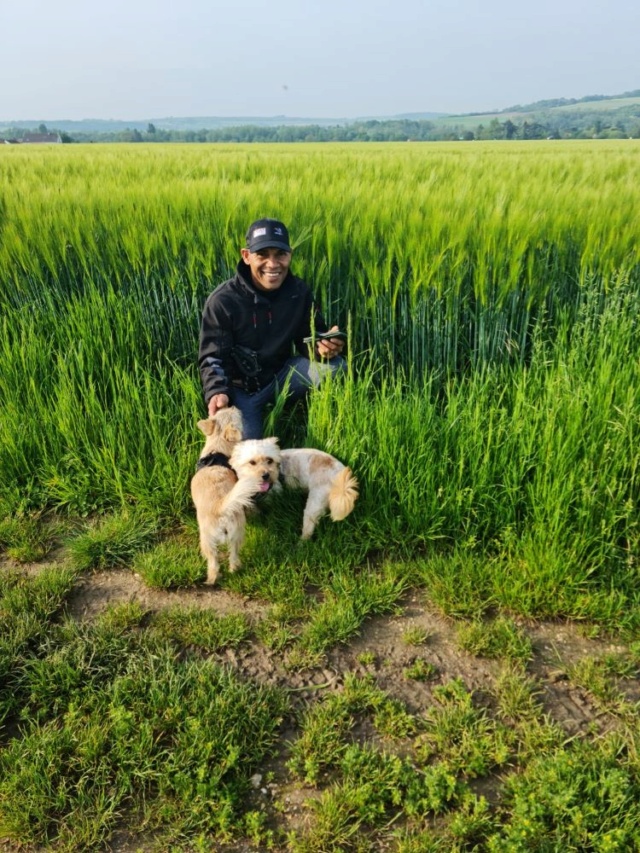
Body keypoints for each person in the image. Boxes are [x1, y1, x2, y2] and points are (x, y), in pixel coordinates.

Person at [198, 218, 346, 439]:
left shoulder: (298, 292)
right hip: (242, 392)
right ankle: (257, 414)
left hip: (281, 376)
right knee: (244, 450)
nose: (273, 264)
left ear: (290, 254)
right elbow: (212, 357)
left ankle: (290, 407)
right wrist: (217, 390)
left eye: (280, 254)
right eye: (262, 255)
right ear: (246, 256)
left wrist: (322, 347)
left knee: (336, 367)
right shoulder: (223, 301)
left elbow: (308, 336)